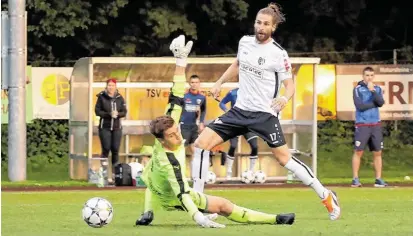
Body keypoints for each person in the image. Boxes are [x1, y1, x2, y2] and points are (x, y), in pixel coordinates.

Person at [192, 2, 341, 221]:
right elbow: (237, 64)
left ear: (273, 27)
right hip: (239, 111)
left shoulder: (278, 53)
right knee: (200, 145)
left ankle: (326, 195)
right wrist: (219, 82)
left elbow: (290, 86)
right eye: (258, 23)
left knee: (285, 159)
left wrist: (283, 98)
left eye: (266, 24)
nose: (261, 27)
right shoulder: (244, 42)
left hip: (264, 115)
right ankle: (201, 203)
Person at [135, 34, 295, 229]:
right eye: (171, 136)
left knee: (153, 177)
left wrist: (180, 61)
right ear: (161, 141)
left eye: (176, 130)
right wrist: (198, 217)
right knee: (224, 206)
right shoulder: (170, 161)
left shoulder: (169, 121)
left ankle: (147, 213)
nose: (178, 135)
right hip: (172, 197)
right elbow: (182, 194)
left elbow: (176, 92)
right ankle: (275, 219)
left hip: (158, 185)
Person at [351, 66, 387, 187]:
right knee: (358, 151)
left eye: (371, 75)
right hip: (362, 124)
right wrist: (374, 103)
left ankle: (378, 179)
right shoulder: (358, 89)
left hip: (375, 124)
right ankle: (355, 179)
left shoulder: (377, 89)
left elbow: (381, 103)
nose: (369, 78)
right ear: (363, 76)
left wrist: (373, 91)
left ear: (374, 76)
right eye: (367, 75)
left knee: (377, 152)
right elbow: (360, 106)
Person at [219, 88, 259, 179]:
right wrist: (227, 111)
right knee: (233, 146)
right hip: (235, 123)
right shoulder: (232, 93)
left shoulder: (254, 92)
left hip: (248, 124)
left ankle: (251, 171)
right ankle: (229, 171)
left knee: (255, 146)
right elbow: (221, 103)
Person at [95, 78, 127, 183]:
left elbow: (124, 111)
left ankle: (114, 175)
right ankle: (104, 174)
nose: (111, 87)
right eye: (109, 85)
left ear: (115, 87)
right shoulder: (101, 97)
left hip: (117, 128)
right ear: (106, 86)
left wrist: (118, 114)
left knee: (115, 150)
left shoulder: (119, 97)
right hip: (105, 127)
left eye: (113, 85)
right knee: (106, 148)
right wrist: (109, 114)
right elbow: (97, 111)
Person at [178, 74, 207, 187]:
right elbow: (179, 110)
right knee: (181, 151)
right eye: (192, 82)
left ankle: (194, 176)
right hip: (184, 126)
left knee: (195, 151)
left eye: (196, 82)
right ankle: (181, 175)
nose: (194, 84)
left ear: (199, 84)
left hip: (194, 127)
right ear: (189, 83)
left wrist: (201, 122)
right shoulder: (184, 96)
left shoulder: (202, 97)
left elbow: (204, 110)